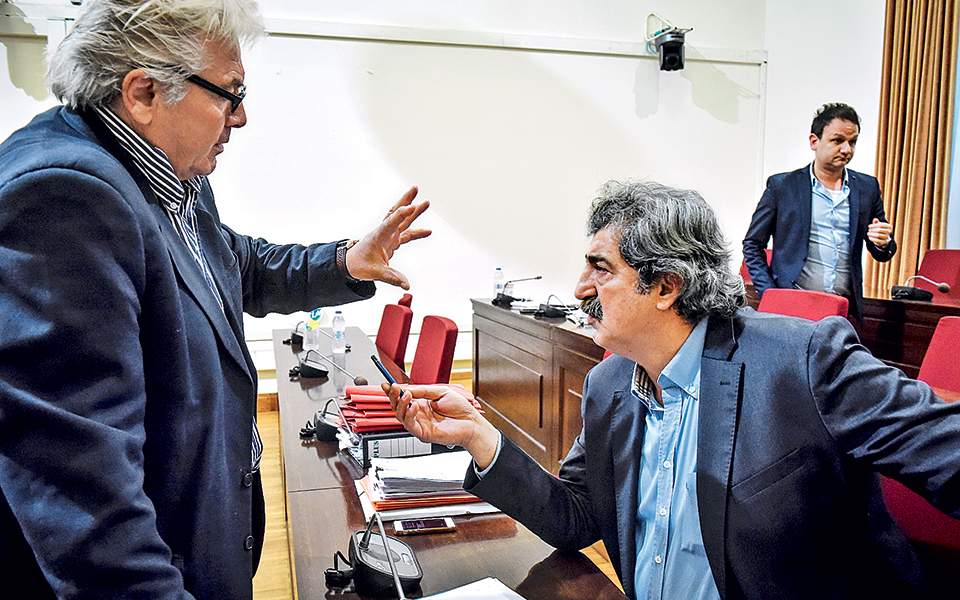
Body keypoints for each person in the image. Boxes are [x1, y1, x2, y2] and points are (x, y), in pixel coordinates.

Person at [0, 1, 430, 597]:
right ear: (144, 93)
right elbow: (84, 498)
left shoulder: (171, 176)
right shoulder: (64, 196)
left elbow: (235, 263)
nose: (242, 117)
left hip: (203, 533)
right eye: (231, 93)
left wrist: (344, 262)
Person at [385, 181, 960, 599]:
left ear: (665, 286)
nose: (579, 287)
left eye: (601, 269)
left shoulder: (804, 361)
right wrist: (480, 437)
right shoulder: (610, 383)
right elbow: (576, 520)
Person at [742, 102, 896, 320]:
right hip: (792, 306)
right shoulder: (783, 186)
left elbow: (883, 249)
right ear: (814, 141)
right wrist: (769, 293)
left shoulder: (867, 188)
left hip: (842, 310)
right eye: (837, 140)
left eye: (852, 142)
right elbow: (752, 244)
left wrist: (883, 242)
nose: (847, 149)